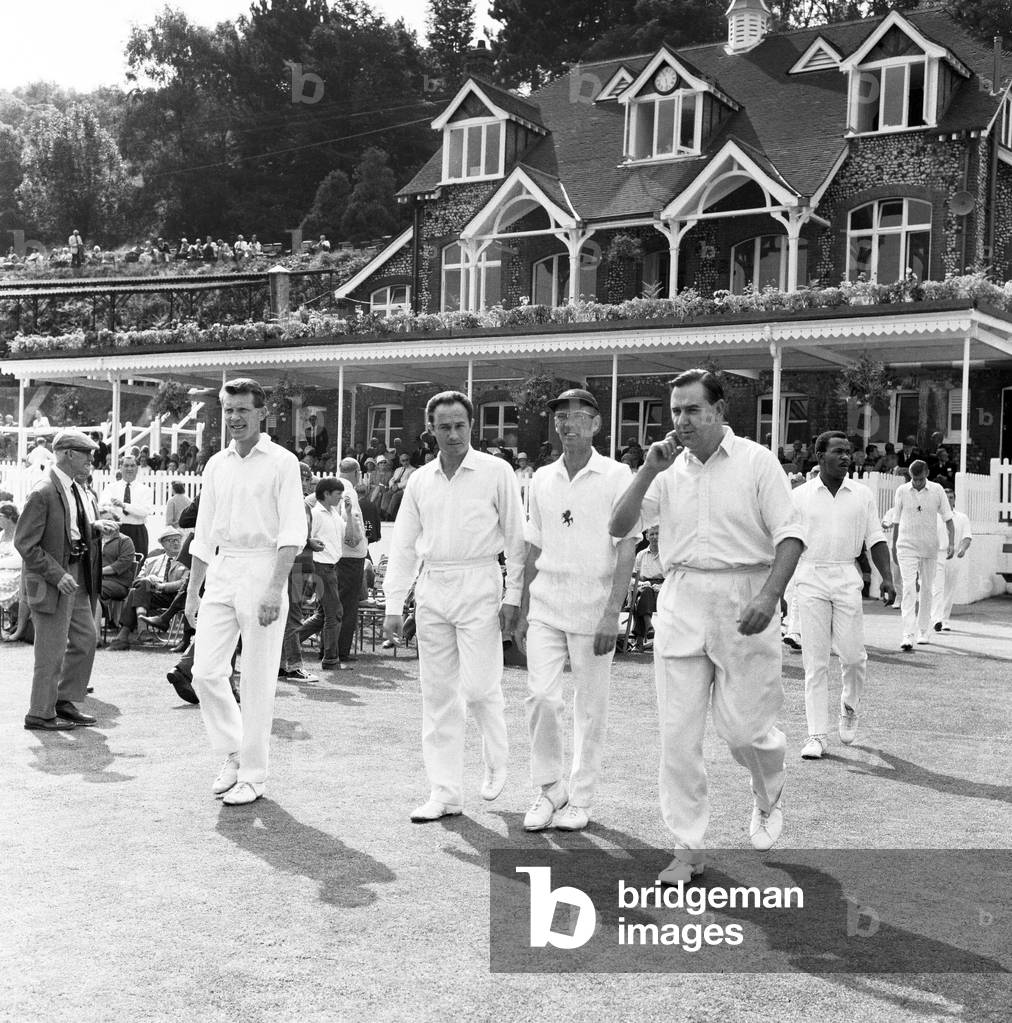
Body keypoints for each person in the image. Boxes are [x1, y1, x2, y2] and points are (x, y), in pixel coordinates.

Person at [609, 369, 804, 884]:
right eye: (675, 411)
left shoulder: (757, 462)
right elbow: (618, 525)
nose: (681, 420)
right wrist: (647, 471)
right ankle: (686, 847)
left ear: (719, 412)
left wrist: (769, 594)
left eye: (692, 410)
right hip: (681, 598)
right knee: (678, 736)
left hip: (746, 597)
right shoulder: (665, 468)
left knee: (745, 732)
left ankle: (768, 792)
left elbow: (790, 536)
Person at [383, 390, 525, 823]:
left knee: (481, 689)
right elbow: (404, 544)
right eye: (443, 427)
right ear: (431, 431)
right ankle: (445, 792)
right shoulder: (421, 480)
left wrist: (513, 595)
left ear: (471, 426)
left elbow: (517, 539)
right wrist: (393, 603)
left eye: (460, 425)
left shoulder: (496, 471)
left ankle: (495, 759)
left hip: (481, 580)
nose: (453, 434)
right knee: (438, 696)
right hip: (433, 587)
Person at [515, 388, 638, 832]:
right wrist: (523, 605)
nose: (568, 425)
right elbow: (533, 548)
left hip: (594, 607)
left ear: (596, 424)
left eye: (578, 417)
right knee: (542, 697)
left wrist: (612, 613)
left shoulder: (617, 474)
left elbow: (627, 548)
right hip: (547, 603)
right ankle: (550, 788)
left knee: (590, 706)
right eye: (561, 418)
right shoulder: (542, 478)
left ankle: (582, 797)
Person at [185, 378, 306, 806]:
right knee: (204, 672)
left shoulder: (282, 461)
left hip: (263, 569)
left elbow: (293, 530)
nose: (234, 418)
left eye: (242, 410)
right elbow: (203, 533)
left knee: (257, 678)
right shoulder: (216, 464)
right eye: (228, 410)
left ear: (261, 413)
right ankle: (234, 752)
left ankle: (254, 776)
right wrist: (193, 590)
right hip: (223, 569)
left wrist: (275, 587)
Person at [791, 432, 896, 760]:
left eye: (849, 452)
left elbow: (875, 538)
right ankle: (816, 735)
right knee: (815, 662)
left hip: (846, 576)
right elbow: (789, 541)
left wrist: (887, 577)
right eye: (838, 451)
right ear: (819, 456)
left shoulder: (861, 494)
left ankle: (848, 707)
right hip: (810, 577)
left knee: (852, 657)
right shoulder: (800, 496)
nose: (846, 457)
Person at [14, 430, 118, 730]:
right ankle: (40, 713)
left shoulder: (77, 489)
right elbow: (25, 544)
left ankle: (63, 699)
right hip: (54, 578)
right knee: (52, 648)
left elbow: (70, 527)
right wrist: (57, 574)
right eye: (85, 453)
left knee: (86, 638)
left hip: (78, 574)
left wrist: (95, 527)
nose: (91, 459)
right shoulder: (43, 491)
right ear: (67, 454)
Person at [296, 477, 360, 670]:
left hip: (330, 566)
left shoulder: (334, 514)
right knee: (335, 613)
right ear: (326, 494)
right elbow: (304, 538)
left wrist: (348, 513)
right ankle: (331, 659)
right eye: (338, 493)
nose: (341, 497)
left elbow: (350, 539)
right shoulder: (315, 514)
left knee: (324, 615)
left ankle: (288, 644)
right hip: (320, 566)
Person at [891, 459, 954, 651]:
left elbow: (948, 518)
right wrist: (894, 547)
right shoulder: (902, 490)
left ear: (926, 474)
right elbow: (896, 521)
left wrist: (951, 542)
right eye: (913, 479)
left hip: (929, 547)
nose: (916, 483)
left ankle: (923, 630)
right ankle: (907, 634)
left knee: (926, 588)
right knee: (909, 588)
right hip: (906, 545)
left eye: (919, 479)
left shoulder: (937, 490)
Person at [107, 526, 188, 649]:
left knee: (135, 593)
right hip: (149, 594)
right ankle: (141, 631)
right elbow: (137, 581)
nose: (176, 543)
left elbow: (183, 583)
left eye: (178, 540)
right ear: (163, 543)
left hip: (175, 597)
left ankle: (127, 634)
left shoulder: (187, 561)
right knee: (141, 585)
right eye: (171, 540)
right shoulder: (151, 560)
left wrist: (162, 586)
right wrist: (149, 579)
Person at [335, 458, 370, 664]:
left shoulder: (337, 488)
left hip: (339, 554)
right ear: (357, 473)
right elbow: (352, 520)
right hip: (351, 555)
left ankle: (332, 647)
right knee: (348, 606)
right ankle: (341, 649)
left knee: (337, 604)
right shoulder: (349, 493)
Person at [931, 489, 972, 632]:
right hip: (937, 555)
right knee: (937, 588)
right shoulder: (934, 516)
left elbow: (967, 537)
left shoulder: (962, 517)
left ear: (955, 499)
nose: (948, 500)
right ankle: (937, 619)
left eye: (951, 497)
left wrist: (962, 549)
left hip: (953, 557)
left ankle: (945, 619)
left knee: (949, 589)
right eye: (946, 497)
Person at [100, 454, 154, 559]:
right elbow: (104, 507)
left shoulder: (145, 490)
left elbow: (144, 511)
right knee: (113, 560)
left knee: (137, 561)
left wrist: (123, 505)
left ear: (137, 468)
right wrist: (111, 507)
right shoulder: (111, 488)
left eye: (132, 466)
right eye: (126, 465)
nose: (129, 469)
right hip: (116, 530)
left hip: (137, 531)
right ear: (121, 468)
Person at [629, 525, 664, 650]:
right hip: (644, 588)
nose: (655, 537)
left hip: (663, 589)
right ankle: (649, 626)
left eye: (657, 533)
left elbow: (673, 577)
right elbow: (631, 578)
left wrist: (661, 586)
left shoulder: (666, 554)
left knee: (646, 595)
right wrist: (641, 584)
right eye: (652, 534)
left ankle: (644, 632)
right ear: (647, 536)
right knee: (646, 592)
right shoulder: (641, 555)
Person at [97, 508, 137, 600]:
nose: (107, 523)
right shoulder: (94, 540)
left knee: (95, 590)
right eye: (102, 521)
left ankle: (102, 614)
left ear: (116, 522)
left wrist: (98, 572)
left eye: (109, 520)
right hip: (96, 580)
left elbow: (122, 564)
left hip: (118, 583)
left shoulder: (125, 541)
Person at [380, 453, 414, 520]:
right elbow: (392, 479)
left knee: (396, 496)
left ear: (409, 460)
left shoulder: (413, 470)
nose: (405, 462)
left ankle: (389, 514)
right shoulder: (398, 469)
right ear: (400, 462)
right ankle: (383, 512)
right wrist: (392, 485)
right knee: (386, 494)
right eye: (403, 460)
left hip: (404, 489)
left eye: (406, 460)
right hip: (394, 487)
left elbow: (408, 481)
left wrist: (397, 486)